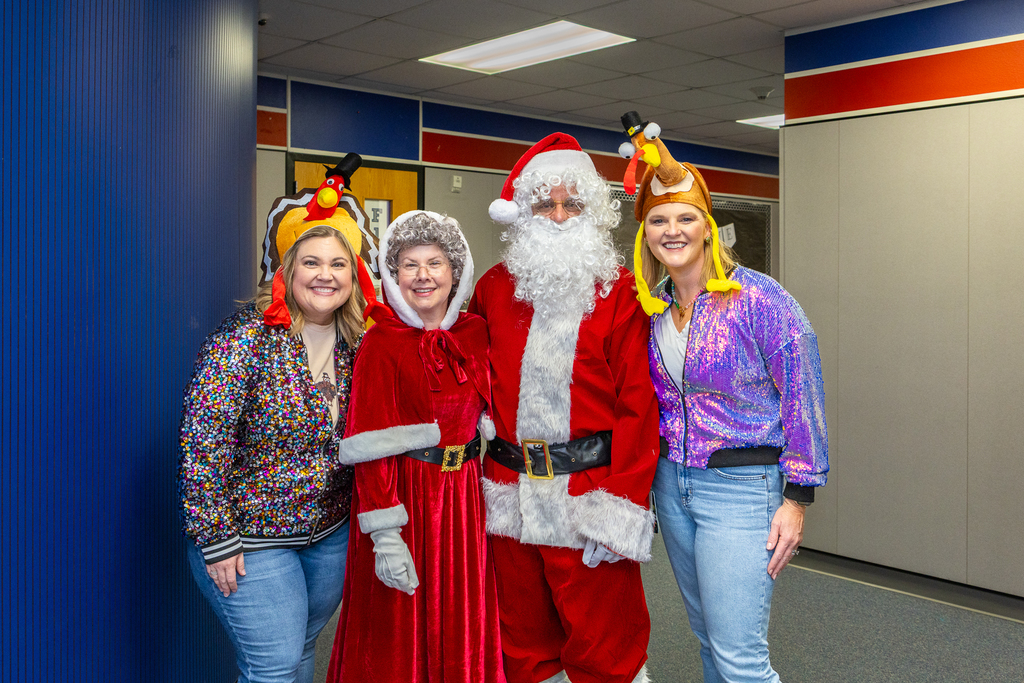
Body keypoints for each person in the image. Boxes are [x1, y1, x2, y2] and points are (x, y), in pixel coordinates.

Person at [622, 116, 828, 683]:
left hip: (743, 490)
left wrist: (798, 498)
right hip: (673, 485)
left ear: (708, 227)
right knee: (708, 642)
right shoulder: (654, 308)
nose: (672, 229)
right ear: (645, 231)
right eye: (658, 219)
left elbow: (802, 392)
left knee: (740, 657)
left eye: (685, 217)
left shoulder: (760, 299)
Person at [470, 133, 660, 683]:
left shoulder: (621, 293)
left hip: (589, 502)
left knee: (606, 653)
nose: (557, 215)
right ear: (523, 213)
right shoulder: (494, 288)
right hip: (509, 499)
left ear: (593, 212)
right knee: (523, 650)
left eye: (571, 203)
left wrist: (619, 506)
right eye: (544, 204)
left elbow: (639, 409)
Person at [179, 219, 369, 683]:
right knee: (274, 665)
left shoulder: (359, 341)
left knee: (303, 646)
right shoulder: (246, 338)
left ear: (355, 275)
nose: (325, 274)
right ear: (287, 270)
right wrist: (216, 536)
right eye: (312, 262)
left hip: (330, 532)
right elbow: (203, 440)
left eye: (338, 263)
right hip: (251, 537)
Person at [326, 211, 504, 683]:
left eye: (436, 263)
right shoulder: (381, 342)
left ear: (456, 271)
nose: (423, 276)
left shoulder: (476, 333)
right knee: (396, 628)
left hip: (465, 496)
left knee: (461, 618)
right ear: (393, 274)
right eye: (409, 265)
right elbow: (368, 452)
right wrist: (386, 537)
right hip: (404, 496)